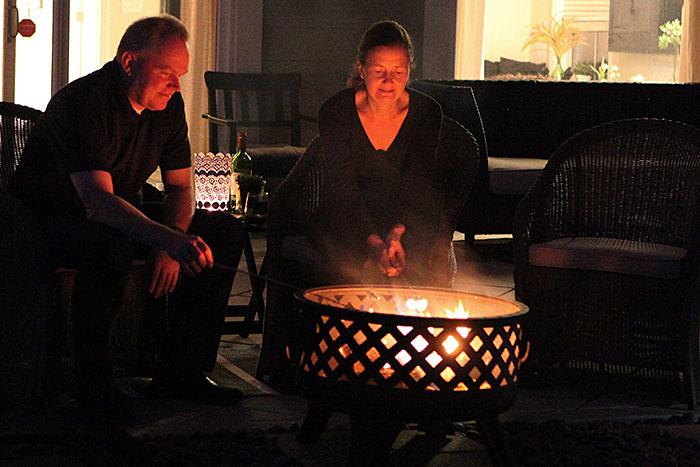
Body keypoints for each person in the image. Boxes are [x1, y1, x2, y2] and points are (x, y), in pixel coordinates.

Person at [8, 15, 245, 413]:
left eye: (180, 74)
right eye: (166, 71)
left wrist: (172, 240)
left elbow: (181, 187)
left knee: (222, 231)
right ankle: (92, 384)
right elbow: (97, 203)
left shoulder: (167, 106)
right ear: (130, 62)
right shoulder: (86, 102)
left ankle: (182, 372)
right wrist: (167, 238)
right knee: (107, 243)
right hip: (43, 218)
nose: (176, 84)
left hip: (113, 206)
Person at [310, 19, 444, 286]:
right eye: (379, 71)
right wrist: (373, 242)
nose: (388, 81)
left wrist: (396, 235)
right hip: (348, 214)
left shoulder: (426, 112)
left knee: (421, 245)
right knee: (343, 256)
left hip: (404, 216)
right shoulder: (336, 113)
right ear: (361, 69)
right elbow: (344, 189)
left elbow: (418, 184)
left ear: (409, 71)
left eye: (398, 72)